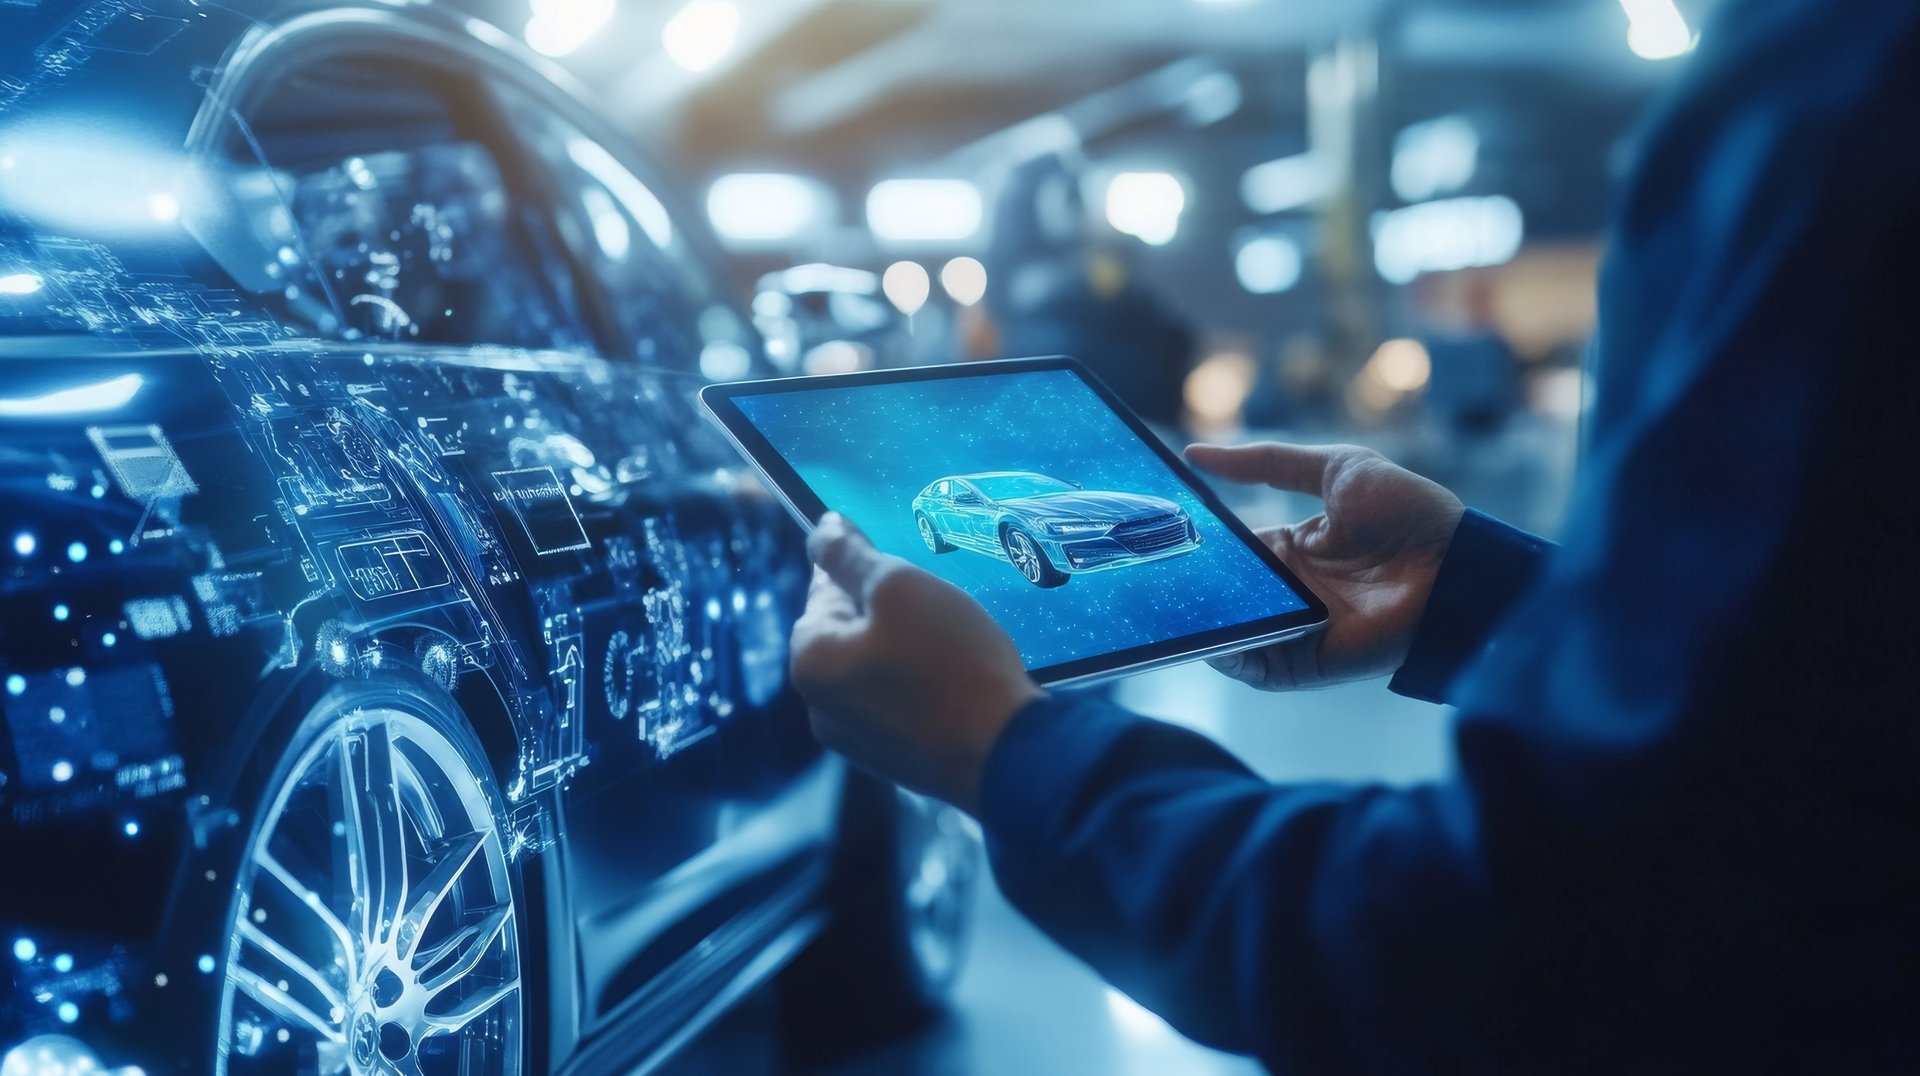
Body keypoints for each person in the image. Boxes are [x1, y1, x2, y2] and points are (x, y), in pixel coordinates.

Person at [789, 1, 1919, 1071]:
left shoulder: (1842, 97)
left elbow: (1546, 943)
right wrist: (1472, 590)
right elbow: (1829, 703)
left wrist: (1006, 754)